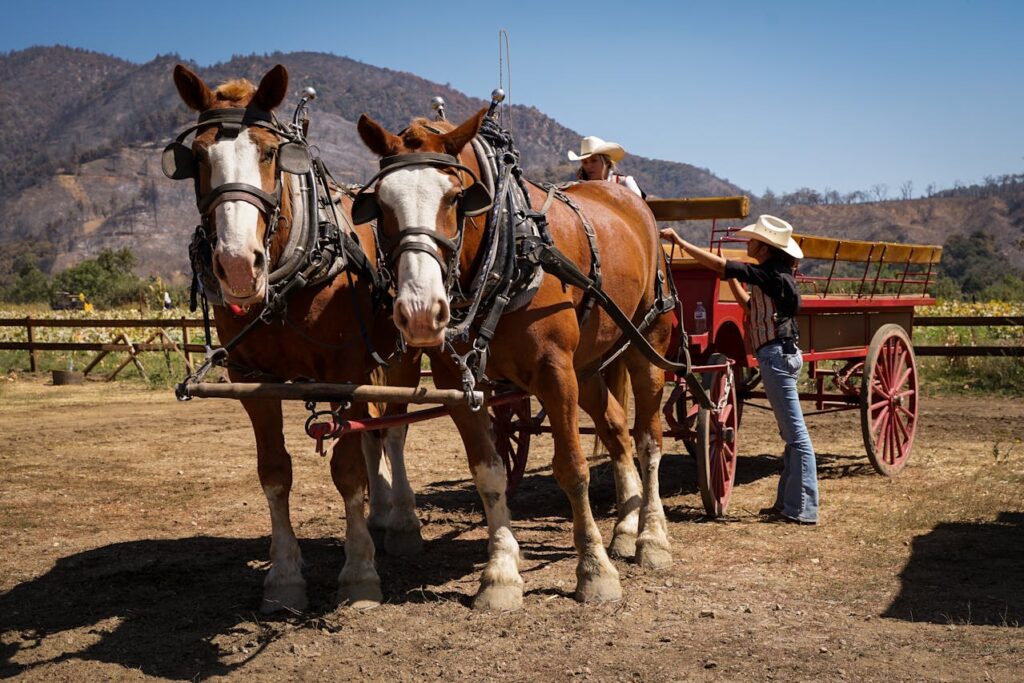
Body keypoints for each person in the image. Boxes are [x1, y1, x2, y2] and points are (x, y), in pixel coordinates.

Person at [660, 215, 819, 525]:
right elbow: (750, 306)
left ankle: (803, 510)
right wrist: (731, 278)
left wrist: (680, 243)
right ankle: (788, 505)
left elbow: (720, 267)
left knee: (796, 437)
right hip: (777, 354)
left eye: (753, 239)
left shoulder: (772, 275)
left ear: (766, 247)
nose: (748, 243)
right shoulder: (774, 275)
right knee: (791, 435)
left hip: (775, 355)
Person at [568, 136, 645, 198]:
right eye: (585, 162)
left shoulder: (625, 183)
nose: (589, 166)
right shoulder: (579, 189)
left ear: (607, 162)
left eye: (594, 161)